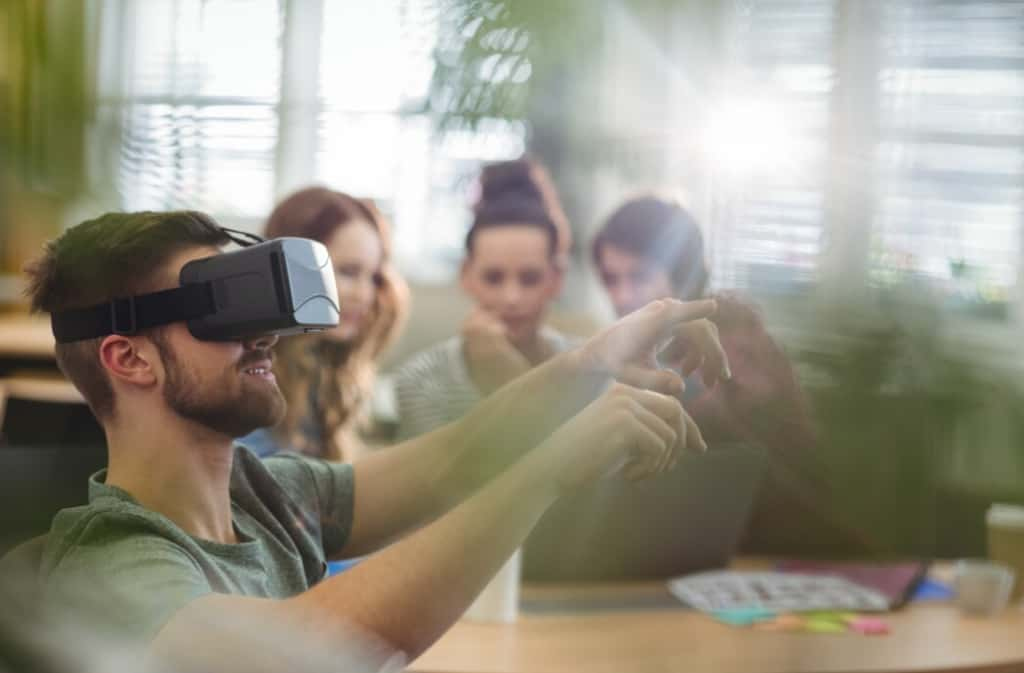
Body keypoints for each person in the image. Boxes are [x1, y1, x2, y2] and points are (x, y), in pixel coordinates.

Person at [9, 210, 729, 664]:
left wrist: (594, 359)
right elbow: (303, 648)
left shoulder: (266, 494)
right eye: (218, 310)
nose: (266, 333)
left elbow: (454, 458)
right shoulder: (111, 561)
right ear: (128, 358)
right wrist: (548, 468)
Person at [592, 195, 873, 555]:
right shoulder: (639, 351)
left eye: (640, 276)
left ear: (683, 273)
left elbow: (765, 476)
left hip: (774, 549)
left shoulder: (731, 340)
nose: (622, 296)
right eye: (611, 280)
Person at [394, 158, 574, 440]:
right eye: (493, 278)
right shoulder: (421, 379)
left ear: (556, 279)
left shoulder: (592, 369)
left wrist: (509, 375)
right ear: (466, 275)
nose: (511, 298)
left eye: (529, 279)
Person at [238, 187, 408, 461]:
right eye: (349, 272)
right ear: (289, 267)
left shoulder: (322, 367)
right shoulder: (247, 380)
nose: (365, 295)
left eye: (373, 277)